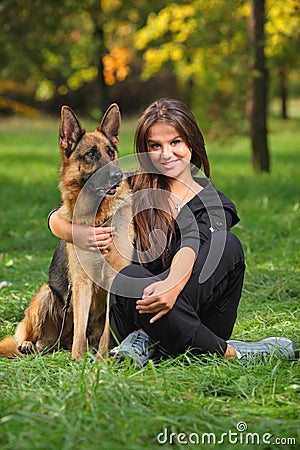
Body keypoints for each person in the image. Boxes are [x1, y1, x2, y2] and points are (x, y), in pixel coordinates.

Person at [49, 98, 298, 368]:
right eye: (155, 145)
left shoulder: (214, 202)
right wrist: (73, 232)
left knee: (228, 245)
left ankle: (146, 339)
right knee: (128, 275)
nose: (166, 154)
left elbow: (191, 246)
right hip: (137, 309)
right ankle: (233, 353)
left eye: (175, 142)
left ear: (192, 143)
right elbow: (59, 211)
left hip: (196, 314)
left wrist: (173, 287)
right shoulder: (133, 184)